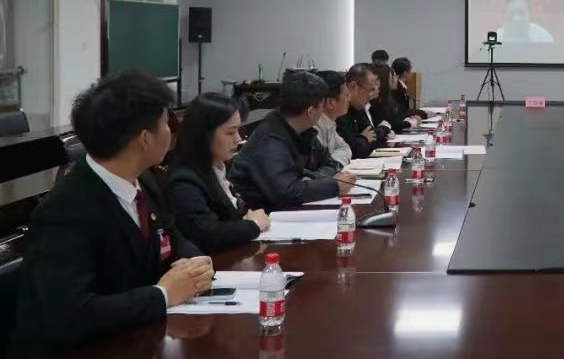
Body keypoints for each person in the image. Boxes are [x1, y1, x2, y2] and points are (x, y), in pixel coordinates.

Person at [10, 70, 212, 356]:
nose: (171, 131)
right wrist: (162, 295)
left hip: (136, 339)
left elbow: (171, 236)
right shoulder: (63, 213)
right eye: (166, 122)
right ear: (145, 138)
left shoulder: (144, 180)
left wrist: (195, 263)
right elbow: (70, 315)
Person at [229, 72, 356, 211]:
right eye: (321, 106)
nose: (322, 111)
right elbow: (286, 193)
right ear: (311, 111)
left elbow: (330, 163)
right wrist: (333, 185)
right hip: (261, 215)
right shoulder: (270, 139)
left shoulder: (303, 129)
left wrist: (308, 182)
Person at [167, 93, 270, 254]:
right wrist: (253, 225)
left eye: (238, 130)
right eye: (230, 132)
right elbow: (205, 234)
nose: (238, 138)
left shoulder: (218, 165)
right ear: (204, 134)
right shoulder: (184, 179)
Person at [337, 63, 386, 159]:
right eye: (370, 90)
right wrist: (363, 139)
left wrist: (362, 140)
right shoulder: (339, 110)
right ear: (353, 86)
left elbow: (372, 136)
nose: (371, 95)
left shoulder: (358, 107)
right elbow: (349, 150)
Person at [314, 70, 353, 168]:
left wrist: (333, 164)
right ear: (331, 103)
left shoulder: (329, 123)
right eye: (346, 95)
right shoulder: (314, 128)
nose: (349, 99)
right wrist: (333, 166)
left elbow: (345, 148)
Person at [370, 64, 421, 133]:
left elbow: (396, 117)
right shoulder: (375, 102)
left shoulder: (388, 98)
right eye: (392, 78)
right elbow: (390, 124)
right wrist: (409, 123)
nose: (396, 80)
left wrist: (408, 119)